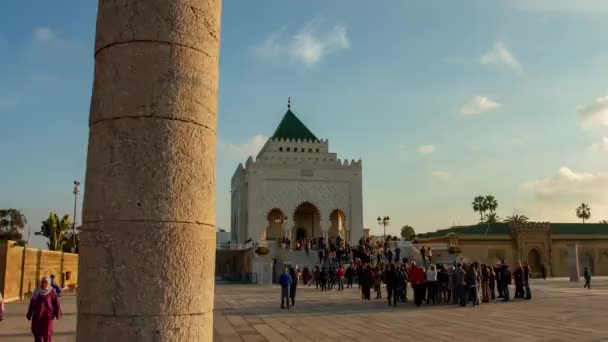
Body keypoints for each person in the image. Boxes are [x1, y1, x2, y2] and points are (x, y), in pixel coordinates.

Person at [27, 276, 61, 341]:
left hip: (47, 317)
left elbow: (56, 304)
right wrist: (29, 314)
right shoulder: (36, 292)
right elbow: (32, 304)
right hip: (37, 317)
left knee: (47, 334)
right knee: (37, 334)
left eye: (45, 282)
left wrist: (57, 314)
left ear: (48, 283)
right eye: (42, 282)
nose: (43, 284)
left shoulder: (52, 292)